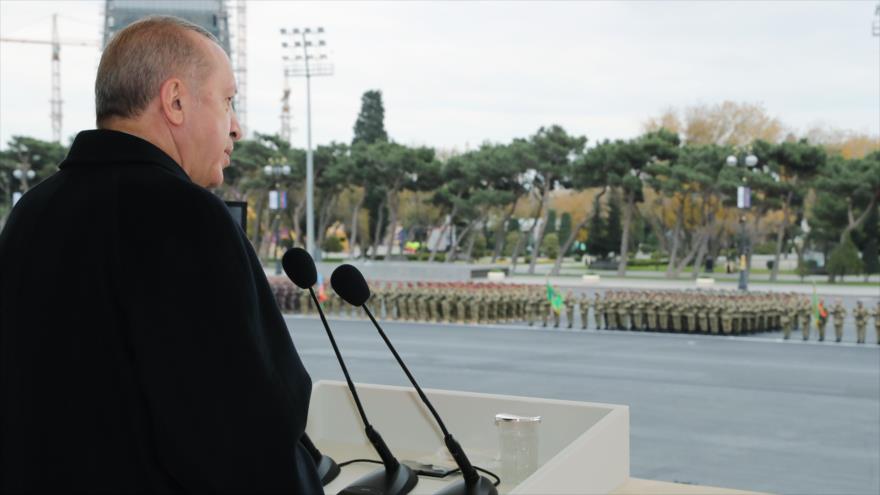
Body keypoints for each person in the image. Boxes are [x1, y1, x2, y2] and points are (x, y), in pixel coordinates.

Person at [0, 17, 321, 493]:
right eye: (227, 100)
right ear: (175, 101)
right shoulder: (190, 217)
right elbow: (245, 432)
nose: (236, 128)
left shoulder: (31, 212)